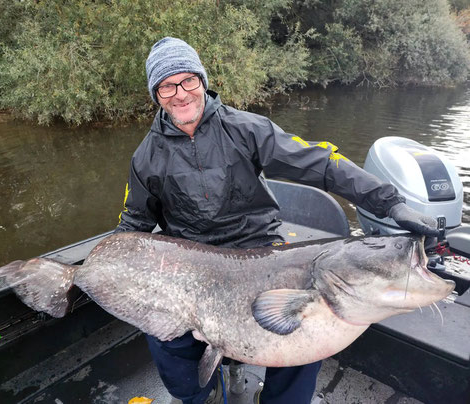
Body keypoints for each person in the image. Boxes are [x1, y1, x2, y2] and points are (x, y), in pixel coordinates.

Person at [115, 37, 439, 404]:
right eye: (167, 85)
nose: (181, 93)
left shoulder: (247, 128)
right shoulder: (145, 157)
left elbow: (319, 162)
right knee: (164, 334)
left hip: (260, 253)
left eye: (188, 80)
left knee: (303, 323)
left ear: (202, 81)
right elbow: (133, 225)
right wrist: (107, 264)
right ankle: (200, 394)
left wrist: (388, 203)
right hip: (193, 265)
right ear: (156, 94)